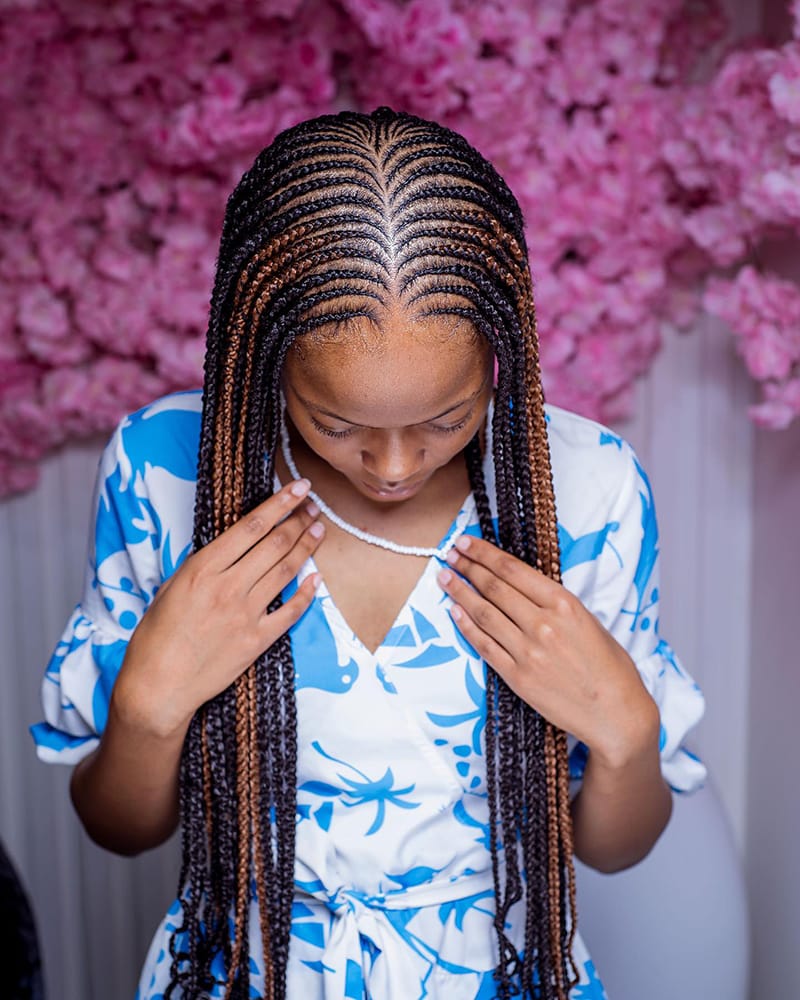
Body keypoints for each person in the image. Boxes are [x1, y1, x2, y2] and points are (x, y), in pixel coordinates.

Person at [32, 107, 705, 1000]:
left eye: (445, 420)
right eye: (338, 425)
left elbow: (617, 850)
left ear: (501, 356)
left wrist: (626, 734)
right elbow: (118, 829)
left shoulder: (587, 491)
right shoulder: (163, 471)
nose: (393, 467)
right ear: (263, 355)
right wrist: (152, 704)